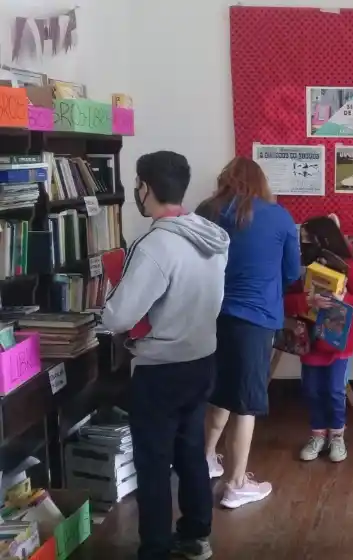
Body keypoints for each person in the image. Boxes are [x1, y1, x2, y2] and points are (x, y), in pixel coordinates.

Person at [101, 151, 229, 560]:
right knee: (190, 451)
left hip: (161, 369)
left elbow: (119, 316)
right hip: (202, 359)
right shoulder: (211, 235)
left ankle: (155, 548)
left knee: (154, 463)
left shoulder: (156, 244)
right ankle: (196, 535)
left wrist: (106, 306)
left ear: (145, 187)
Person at [196, 156, 301, 509]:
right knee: (245, 402)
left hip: (209, 314)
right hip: (254, 319)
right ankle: (236, 484)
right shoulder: (279, 216)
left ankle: (206, 458)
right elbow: (292, 273)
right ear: (261, 182)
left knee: (219, 390)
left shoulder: (207, 210)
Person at [284, 214, 353, 463]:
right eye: (302, 239)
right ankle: (317, 435)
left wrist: (344, 301)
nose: (304, 244)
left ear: (324, 239)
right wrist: (307, 301)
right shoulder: (299, 268)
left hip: (338, 341)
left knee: (334, 390)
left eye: (309, 239)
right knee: (312, 390)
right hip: (309, 341)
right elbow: (285, 301)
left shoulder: (347, 266)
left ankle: (337, 436)